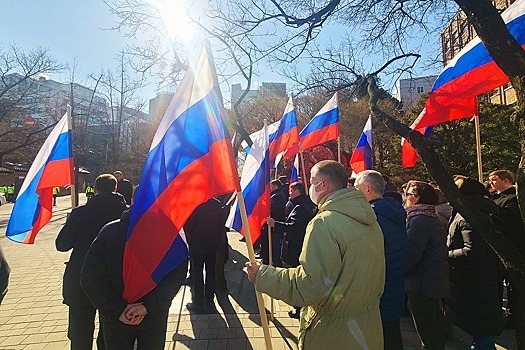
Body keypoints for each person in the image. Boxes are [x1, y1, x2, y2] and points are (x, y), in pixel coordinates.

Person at [246, 160, 386, 349]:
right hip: (368, 329)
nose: (310, 187)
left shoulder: (324, 223)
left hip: (334, 333)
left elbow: (309, 286)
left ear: (324, 185)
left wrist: (262, 275)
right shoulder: (370, 219)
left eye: (312, 182)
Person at [81, 190, 187, 350]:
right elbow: (176, 277)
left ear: (132, 200)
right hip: (147, 316)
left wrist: (118, 310)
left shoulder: (109, 231)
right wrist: (146, 307)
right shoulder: (171, 236)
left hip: (121, 318)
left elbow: (90, 277)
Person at [56, 174, 127, 350]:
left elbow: (62, 244)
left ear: (95, 190)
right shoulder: (126, 213)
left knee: (80, 334)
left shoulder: (80, 213)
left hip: (80, 278)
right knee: (111, 334)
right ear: (115, 189)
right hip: (116, 281)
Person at [446, 176, 505, 349]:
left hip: (476, 279)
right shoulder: (468, 210)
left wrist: (447, 253)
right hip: (474, 279)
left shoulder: (471, 214)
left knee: (482, 329)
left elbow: (471, 250)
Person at [354, 170, 408, 350]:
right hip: (394, 286)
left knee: (382, 338)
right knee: (392, 334)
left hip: (379, 289)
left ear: (368, 189)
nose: (354, 191)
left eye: (357, 187)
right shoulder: (393, 210)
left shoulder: (372, 218)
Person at [404, 180, 450, 350]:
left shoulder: (419, 220)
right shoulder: (430, 216)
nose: (406, 198)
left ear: (416, 198)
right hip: (431, 278)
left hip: (422, 281)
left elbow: (411, 254)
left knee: (427, 327)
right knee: (432, 324)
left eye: (408, 195)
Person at [266, 181, 316, 319]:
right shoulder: (301, 204)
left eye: (292, 191)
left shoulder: (300, 207)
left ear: (298, 192)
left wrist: (275, 224)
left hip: (297, 246)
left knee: (298, 277)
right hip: (298, 245)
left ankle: (299, 308)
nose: (289, 193)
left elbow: (294, 227)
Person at [489, 170, 525, 328]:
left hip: (512, 247)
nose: (491, 183)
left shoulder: (513, 199)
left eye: (494, 179)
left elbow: (512, 224)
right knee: (496, 282)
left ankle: (512, 315)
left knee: (512, 285)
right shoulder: (495, 197)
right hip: (496, 250)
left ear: (506, 180)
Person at [184, 197, 224, 313]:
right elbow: (221, 225)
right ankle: (209, 301)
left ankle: (198, 302)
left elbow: (188, 226)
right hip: (212, 243)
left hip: (197, 244)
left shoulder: (196, 204)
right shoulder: (217, 204)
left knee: (197, 273)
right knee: (211, 272)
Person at [260, 179, 286, 267]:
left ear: (275, 186)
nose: (269, 188)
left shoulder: (277, 196)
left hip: (274, 227)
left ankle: (274, 266)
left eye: (271, 186)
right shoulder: (276, 195)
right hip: (272, 226)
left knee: (274, 249)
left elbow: (271, 209)